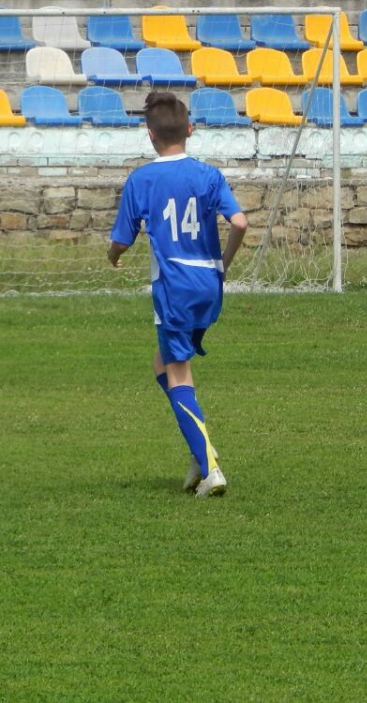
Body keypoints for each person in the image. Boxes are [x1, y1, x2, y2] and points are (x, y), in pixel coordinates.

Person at [107, 92, 249, 498]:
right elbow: (239, 222)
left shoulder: (142, 179)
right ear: (190, 129)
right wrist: (223, 262)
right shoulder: (208, 174)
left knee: (178, 372)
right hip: (209, 284)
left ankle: (210, 468)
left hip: (174, 287)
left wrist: (113, 256)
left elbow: (122, 239)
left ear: (149, 135)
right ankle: (196, 446)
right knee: (162, 364)